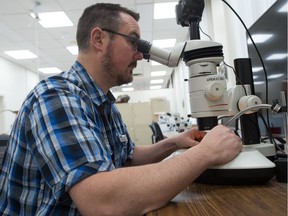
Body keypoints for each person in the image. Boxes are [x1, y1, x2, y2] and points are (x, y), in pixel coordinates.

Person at [0, 3, 243, 216]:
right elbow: (102, 202)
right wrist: (205, 154)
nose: (140, 54)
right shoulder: (55, 97)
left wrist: (176, 142)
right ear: (99, 39)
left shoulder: (105, 104)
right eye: (133, 40)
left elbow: (128, 157)